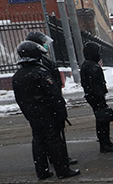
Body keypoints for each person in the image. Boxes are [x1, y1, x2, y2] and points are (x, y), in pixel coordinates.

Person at [12, 40, 80, 180]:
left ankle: (42, 171)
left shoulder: (18, 76)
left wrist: (29, 113)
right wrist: (61, 112)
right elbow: (54, 95)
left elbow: (20, 99)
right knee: (54, 141)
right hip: (48, 113)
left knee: (38, 141)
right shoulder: (41, 73)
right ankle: (62, 170)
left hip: (33, 115)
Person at [26, 31, 77, 166]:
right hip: (48, 104)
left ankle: (55, 159)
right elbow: (48, 83)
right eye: (43, 43)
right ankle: (59, 159)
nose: (45, 45)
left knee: (46, 135)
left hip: (46, 103)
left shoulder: (40, 60)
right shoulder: (39, 62)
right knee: (53, 135)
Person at [80, 41, 113, 152]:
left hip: (93, 96)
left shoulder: (87, 65)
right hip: (96, 97)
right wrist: (100, 94)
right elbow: (95, 85)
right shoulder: (91, 66)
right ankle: (105, 143)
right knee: (103, 120)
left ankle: (105, 142)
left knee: (102, 120)